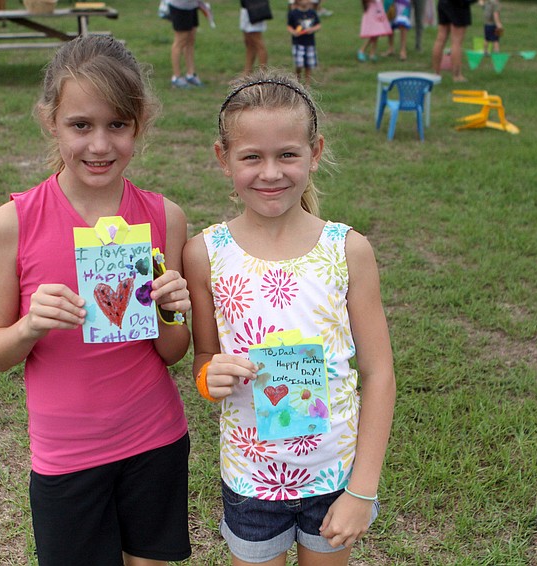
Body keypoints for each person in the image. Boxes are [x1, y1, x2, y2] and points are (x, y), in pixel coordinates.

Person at [0, 36, 192, 566]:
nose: (99, 145)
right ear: (50, 120)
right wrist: (30, 326)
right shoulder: (13, 224)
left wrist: (170, 309)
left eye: (117, 125)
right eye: (81, 125)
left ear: (139, 122)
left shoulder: (163, 217)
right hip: (66, 457)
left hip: (155, 440)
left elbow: (173, 352)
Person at [183, 70, 396, 566]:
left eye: (287, 155)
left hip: (334, 479)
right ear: (223, 159)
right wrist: (208, 377)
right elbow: (205, 358)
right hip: (251, 481)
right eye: (251, 156)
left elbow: (379, 373)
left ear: (315, 152)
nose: (270, 172)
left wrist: (361, 490)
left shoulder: (347, 250)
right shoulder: (204, 254)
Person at [431, 0, 474, 82]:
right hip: (458, 5)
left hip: (443, 3)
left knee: (440, 38)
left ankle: (436, 73)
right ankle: (457, 75)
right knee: (456, 42)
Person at [168, 0, 204, 87]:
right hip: (180, 6)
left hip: (192, 5)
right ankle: (176, 77)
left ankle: (190, 74)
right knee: (180, 41)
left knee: (190, 40)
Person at [287, 0, 322, 83]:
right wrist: (294, 32)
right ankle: (297, 80)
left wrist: (312, 29)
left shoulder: (312, 13)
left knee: (309, 65)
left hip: (310, 43)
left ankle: (307, 84)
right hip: (298, 43)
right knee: (299, 65)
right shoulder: (293, 13)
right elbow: (289, 26)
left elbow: (318, 25)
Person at [240, 0, 269, 76]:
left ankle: (263, 73)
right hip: (246, 7)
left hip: (255, 8)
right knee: (249, 42)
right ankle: (247, 72)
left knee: (257, 42)